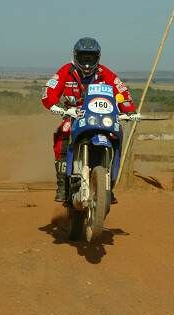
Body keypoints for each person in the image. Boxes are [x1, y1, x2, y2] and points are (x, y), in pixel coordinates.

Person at [41, 37, 137, 202]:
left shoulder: (105, 73)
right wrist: (59, 108)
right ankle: (63, 184)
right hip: (75, 116)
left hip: (102, 117)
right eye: (83, 56)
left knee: (118, 132)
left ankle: (109, 184)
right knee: (63, 132)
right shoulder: (66, 71)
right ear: (75, 55)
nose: (86, 61)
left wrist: (129, 111)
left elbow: (122, 92)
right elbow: (49, 91)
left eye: (90, 57)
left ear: (97, 57)